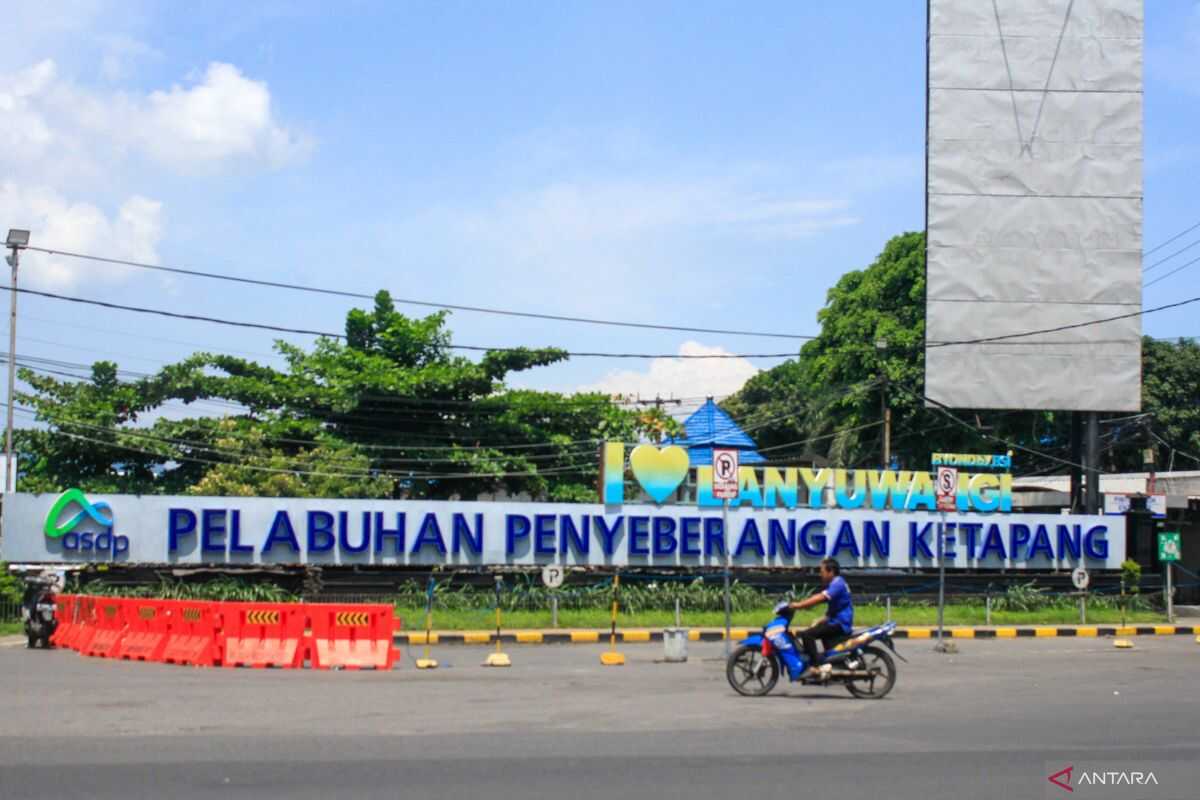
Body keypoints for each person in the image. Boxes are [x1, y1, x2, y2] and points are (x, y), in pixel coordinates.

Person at [780, 557, 853, 679]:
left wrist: (798, 605)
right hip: (836, 621)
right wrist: (820, 619)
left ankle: (815, 667)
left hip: (840, 624)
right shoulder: (837, 583)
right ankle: (828, 664)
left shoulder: (837, 584)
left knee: (807, 634)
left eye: (822, 571)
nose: (820, 574)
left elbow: (820, 598)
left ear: (831, 572)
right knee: (814, 628)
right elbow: (835, 609)